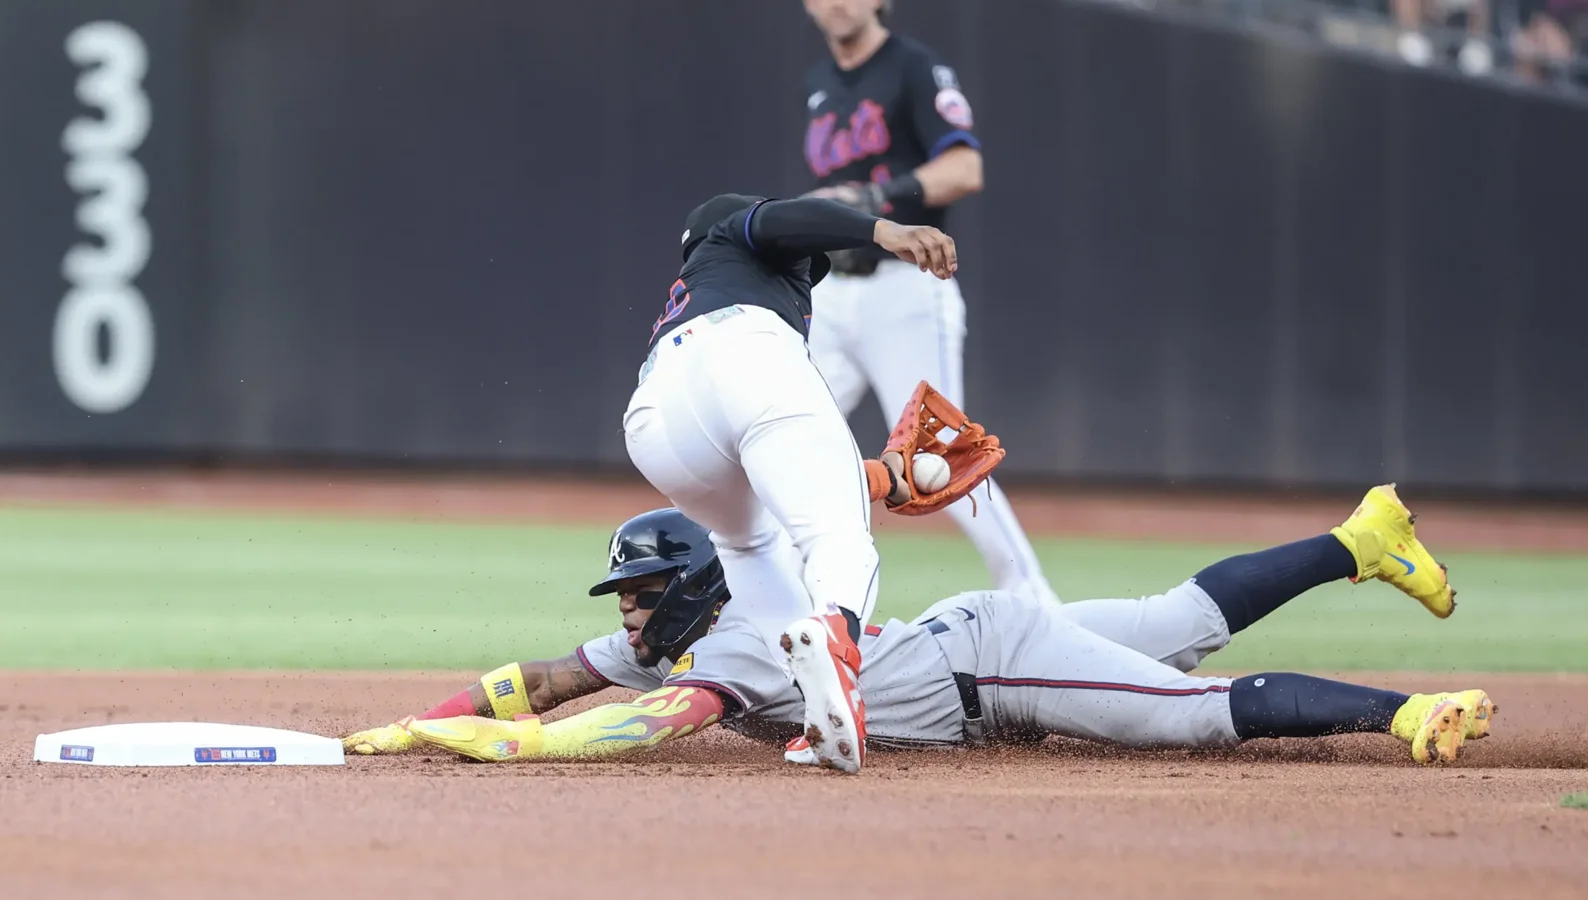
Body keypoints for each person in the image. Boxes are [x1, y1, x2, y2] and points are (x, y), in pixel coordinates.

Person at [342, 484, 1492, 767]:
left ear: (689, 586)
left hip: (996, 666)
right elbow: (551, 678)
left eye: (638, 592)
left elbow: (647, 726)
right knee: (1180, 619)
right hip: (963, 639)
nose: (625, 611)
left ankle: (1407, 714)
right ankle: (1361, 539)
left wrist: (508, 749)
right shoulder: (678, 634)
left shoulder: (733, 641)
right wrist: (421, 721)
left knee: (1187, 709)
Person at [619, 192, 957, 773]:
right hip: (743, 351)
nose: (806, 271)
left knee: (747, 544)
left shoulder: (692, 298)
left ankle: (819, 703)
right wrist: (885, 232)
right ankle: (835, 633)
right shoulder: (730, 234)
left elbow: (786, 480)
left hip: (655, 418)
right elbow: (780, 218)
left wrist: (882, 477)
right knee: (836, 536)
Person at [797, 0, 1060, 607]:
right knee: (786, 433)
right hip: (834, 292)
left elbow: (965, 168)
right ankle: (767, 599)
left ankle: (1037, 602)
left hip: (906, 288)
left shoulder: (914, 68)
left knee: (941, 456)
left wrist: (879, 196)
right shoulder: (819, 81)